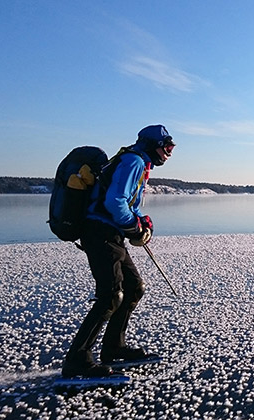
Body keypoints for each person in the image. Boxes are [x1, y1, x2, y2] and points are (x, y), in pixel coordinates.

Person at [62, 124, 176, 378]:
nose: (168, 154)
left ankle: (114, 347)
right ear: (151, 145)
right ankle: (77, 360)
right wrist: (134, 228)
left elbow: (125, 202)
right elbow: (114, 201)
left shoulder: (137, 161)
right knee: (110, 295)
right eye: (167, 147)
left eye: (171, 149)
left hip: (110, 233)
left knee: (134, 287)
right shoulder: (134, 161)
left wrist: (140, 220)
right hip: (99, 232)